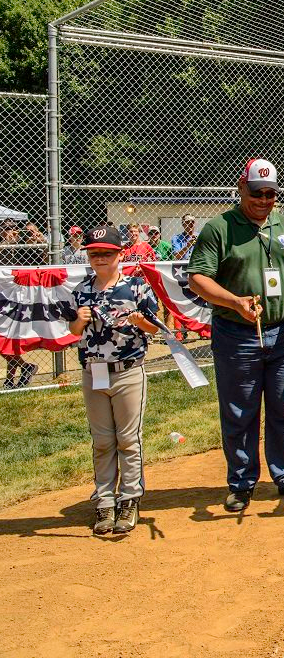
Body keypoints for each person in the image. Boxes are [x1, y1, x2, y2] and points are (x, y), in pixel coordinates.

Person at [187, 158, 284, 512]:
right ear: (241, 187)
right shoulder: (219, 228)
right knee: (240, 410)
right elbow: (198, 278)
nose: (264, 200)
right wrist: (234, 302)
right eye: (257, 193)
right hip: (237, 334)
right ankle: (242, 483)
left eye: (270, 194)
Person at [68, 225, 161, 535]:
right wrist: (78, 321)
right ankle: (105, 501)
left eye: (107, 253)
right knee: (102, 441)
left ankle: (129, 498)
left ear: (120, 254)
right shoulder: (82, 290)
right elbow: (73, 332)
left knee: (128, 439)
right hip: (93, 372)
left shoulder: (136, 287)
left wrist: (140, 321)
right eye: (94, 253)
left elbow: (155, 328)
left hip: (128, 371)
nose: (100, 258)